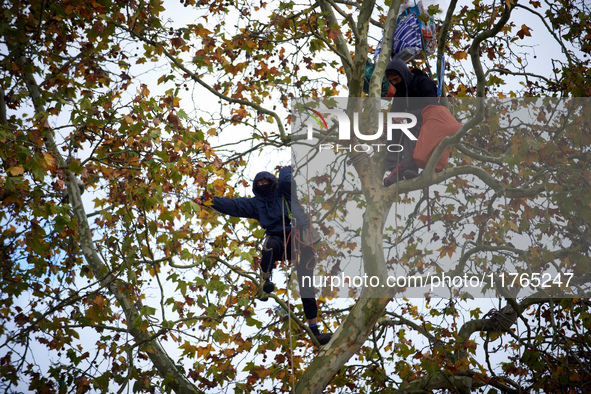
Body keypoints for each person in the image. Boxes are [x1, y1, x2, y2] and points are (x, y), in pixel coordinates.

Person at [196, 166, 331, 346]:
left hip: (300, 238)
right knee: (269, 246)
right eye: (259, 183)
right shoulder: (256, 203)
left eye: (265, 181)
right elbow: (234, 205)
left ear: (273, 182)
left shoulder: (285, 192)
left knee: (306, 285)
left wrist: (288, 167)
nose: (262, 185)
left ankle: (315, 331)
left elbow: (284, 180)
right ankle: (265, 281)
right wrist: (208, 201)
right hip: (277, 240)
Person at [383, 58, 438, 186]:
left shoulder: (423, 82)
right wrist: (388, 123)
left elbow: (432, 107)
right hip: (411, 121)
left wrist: (406, 116)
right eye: (391, 81)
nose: (395, 83)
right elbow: (394, 112)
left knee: (411, 127)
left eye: (396, 79)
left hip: (428, 121)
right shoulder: (400, 92)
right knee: (394, 127)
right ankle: (395, 170)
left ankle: (410, 167)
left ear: (403, 74)